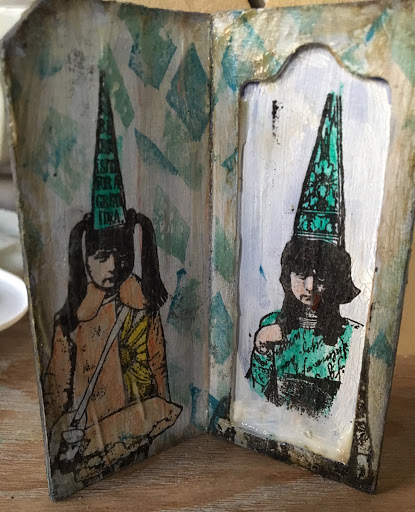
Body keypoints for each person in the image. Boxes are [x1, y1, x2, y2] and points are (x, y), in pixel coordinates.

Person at [43, 72, 181, 484]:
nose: (112, 267)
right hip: (88, 445)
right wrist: (61, 431)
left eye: (121, 257)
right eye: (101, 257)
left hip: (139, 439)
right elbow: (56, 388)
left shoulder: (141, 307)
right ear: (84, 258)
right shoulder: (71, 321)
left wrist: (157, 417)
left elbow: (157, 368)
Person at [247, 92, 361, 417]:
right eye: (301, 274)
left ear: (337, 278)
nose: (310, 286)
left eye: (321, 276)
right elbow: (257, 401)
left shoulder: (350, 338)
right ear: (287, 275)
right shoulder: (271, 326)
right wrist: (261, 348)